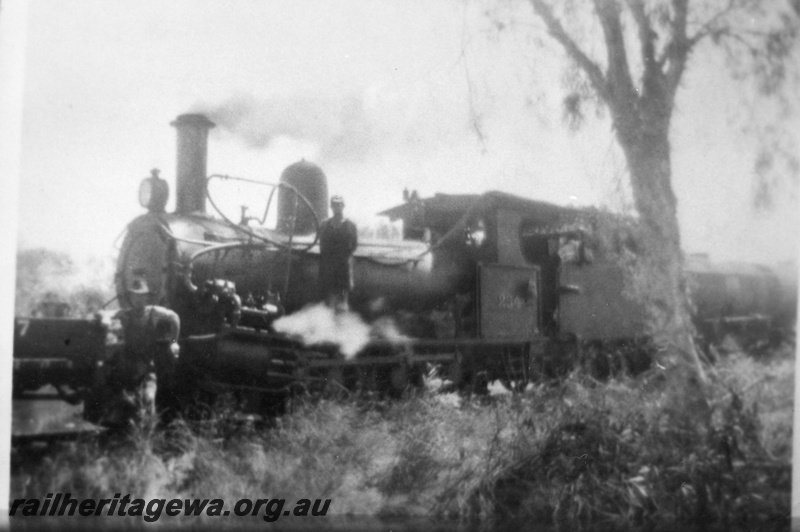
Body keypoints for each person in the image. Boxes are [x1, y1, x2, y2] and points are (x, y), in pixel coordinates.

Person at [318, 195, 358, 312]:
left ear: (343, 206)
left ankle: (342, 324)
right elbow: (322, 245)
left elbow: (354, 244)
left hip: (343, 265)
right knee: (328, 298)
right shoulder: (324, 224)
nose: (337, 208)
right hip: (329, 265)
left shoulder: (351, 225)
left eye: (339, 205)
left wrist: (345, 256)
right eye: (334, 206)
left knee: (343, 298)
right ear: (331, 207)